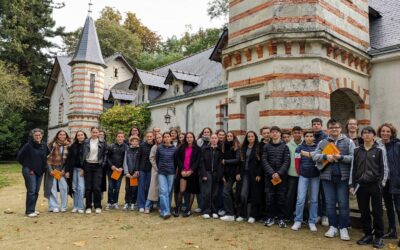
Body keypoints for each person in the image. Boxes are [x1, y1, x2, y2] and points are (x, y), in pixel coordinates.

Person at [312, 118, 355, 241]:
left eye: (336, 127)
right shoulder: (323, 142)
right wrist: (326, 156)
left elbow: (353, 158)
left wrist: (340, 157)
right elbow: (314, 156)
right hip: (327, 178)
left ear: (340, 129)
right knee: (330, 204)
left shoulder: (348, 142)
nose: (334, 130)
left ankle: (343, 227)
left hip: (343, 177)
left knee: (343, 203)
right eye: (331, 128)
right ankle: (333, 226)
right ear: (328, 130)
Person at [350, 126, 387, 249]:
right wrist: (352, 184)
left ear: (374, 135)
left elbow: (384, 168)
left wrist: (381, 183)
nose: (366, 135)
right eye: (364, 133)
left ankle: (378, 236)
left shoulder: (379, 150)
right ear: (362, 136)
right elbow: (353, 169)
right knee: (364, 212)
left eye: (369, 133)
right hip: (361, 186)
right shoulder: (356, 150)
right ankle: (367, 234)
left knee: (377, 212)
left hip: (375, 186)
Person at [262, 126, 290, 228]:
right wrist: (272, 173)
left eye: (276, 132)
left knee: (281, 198)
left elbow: (286, 162)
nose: (274, 134)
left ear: (279, 134)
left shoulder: (285, 147)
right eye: (272, 132)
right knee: (270, 198)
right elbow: (264, 161)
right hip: (269, 178)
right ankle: (270, 217)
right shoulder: (266, 147)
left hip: (281, 178)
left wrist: (279, 173)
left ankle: (281, 219)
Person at [17, 128, 49, 217]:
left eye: (39, 135)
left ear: (42, 135)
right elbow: (19, 157)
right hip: (29, 171)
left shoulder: (44, 145)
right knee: (31, 190)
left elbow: (47, 157)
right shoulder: (28, 145)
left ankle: (32, 209)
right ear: (33, 136)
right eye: (36, 135)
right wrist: (28, 166)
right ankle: (29, 211)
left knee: (36, 191)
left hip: (40, 171)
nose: (38, 136)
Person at [291, 131, 319, 232]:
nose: (309, 138)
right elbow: (297, 162)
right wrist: (299, 173)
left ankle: (312, 221)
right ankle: (298, 220)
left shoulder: (318, 147)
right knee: (300, 199)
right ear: (304, 137)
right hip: (303, 176)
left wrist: (309, 154)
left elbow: (320, 159)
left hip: (315, 176)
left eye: (311, 136)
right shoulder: (299, 148)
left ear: (314, 138)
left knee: (314, 200)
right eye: (307, 136)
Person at [377, 123, 400, 242]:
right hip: (384, 181)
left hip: (397, 181)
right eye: (383, 131)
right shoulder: (378, 146)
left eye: (388, 131)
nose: (385, 133)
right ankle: (392, 230)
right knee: (389, 206)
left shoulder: (397, 145)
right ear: (380, 132)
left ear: (392, 133)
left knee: (399, 207)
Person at [236, 131, 263, 223]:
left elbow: (261, 163)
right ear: (247, 138)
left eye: (252, 136)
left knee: (254, 195)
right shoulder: (243, 148)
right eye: (249, 137)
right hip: (244, 174)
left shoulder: (259, 148)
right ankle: (242, 214)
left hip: (254, 174)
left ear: (255, 137)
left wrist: (259, 174)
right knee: (243, 194)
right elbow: (239, 162)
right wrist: (238, 173)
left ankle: (253, 215)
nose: (250, 138)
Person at [174, 132, 201, 217]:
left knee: (191, 191)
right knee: (181, 191)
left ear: (193, 138)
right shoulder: (181, 147)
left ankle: (188, 210)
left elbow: (198, 161)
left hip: (192, 172)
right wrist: (182, 170)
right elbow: (178, 159)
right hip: (183, 172)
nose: (189, 139)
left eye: (191, 137)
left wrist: (191, 170)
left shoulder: (198, 149)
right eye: (187, 137)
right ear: (185, 138)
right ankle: (177, 209)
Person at [44, 130, 71, 213]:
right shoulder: (51, 145)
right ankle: (53, 206)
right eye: (60, 134)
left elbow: (69, 160)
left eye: (64, 134)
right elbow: (47, 158)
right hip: (52, 169)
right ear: (57, 135)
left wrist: (64, 170)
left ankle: (64, 206)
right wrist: (50, 170)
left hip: (62, 169)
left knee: (64, 187)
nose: (62, 136)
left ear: (66, 136)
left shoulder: (69, 146)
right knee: (52, 187)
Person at [81, 127, 107, 214]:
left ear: (98, 133)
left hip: (98, 166)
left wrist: (102, 164)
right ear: (90, 132)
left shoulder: (102, 142)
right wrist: (83, 166)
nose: (95, 134)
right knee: (88, 187)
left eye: (96, 132)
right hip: (88, 165)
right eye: (93, 132)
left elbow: (105, 155)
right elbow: (82, 154)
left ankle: (98, 206)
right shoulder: (86, 142)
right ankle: (88, 206)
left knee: (97, 187)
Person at [200, 133, 223, 219]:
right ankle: (206, 211)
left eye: (215, 138)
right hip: (207, 172)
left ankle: (214, 211)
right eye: (212, 138)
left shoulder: (220, 151)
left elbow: (221, 164)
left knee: (215, 193)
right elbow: (201, 163)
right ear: (210, 140)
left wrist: (219, 175)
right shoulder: (204, 149)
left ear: (217, 139)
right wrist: (204, 174)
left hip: (216, 173)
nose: (214, 139)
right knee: (207, 193)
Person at [220, 131, 241, 222]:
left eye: (230, 136)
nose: (229, 137)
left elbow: (237, 160)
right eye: (227, 136)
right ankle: (234, 213)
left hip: (233, 173)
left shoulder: (237, 146)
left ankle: (230, 214)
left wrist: (226, 161)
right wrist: (223, 175)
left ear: (233, 137)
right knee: (230, 193)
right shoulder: (224, 146)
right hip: (226, 173)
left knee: (226, 192)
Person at [65, 130, 87, 214]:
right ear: (76, 137)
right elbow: (68, 159)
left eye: (82, 135)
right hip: (73, 169)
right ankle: (75, 206)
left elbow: (87, 158)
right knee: (74, 187)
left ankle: (81, 206)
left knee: (81, 188)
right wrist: (67, 170)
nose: (80, 136)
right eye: (78, 135)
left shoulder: (87, 145)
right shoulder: (73, 146)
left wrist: (84, 169)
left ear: (84, 136)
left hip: (82, 170)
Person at [312, 117, 328, 226]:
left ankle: (325, 216)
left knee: (325, 194)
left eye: (318, 124)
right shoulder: (309, 137)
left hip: (323, 169)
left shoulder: (326, 138)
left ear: (321, 125)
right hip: (313, 170)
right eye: (314, 124)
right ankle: (317, 214)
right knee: (315, 194)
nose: (316, 126)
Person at [156, 132, 177, 219]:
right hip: (162, 172)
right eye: (165, 137)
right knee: (163, 191)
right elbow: (157, 159)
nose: (167, 138)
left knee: (168, 191)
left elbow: (176, 161)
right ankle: (166, 211)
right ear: (163, 139)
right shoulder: (159, 148)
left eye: (168, 136)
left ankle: (165, 209)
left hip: (171, 172)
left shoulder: (175, 149)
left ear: (171, 138)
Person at [106, 131, 127, 210]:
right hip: (111, 170)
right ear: (116, 137)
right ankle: (109, 202)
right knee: (111, 187)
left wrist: (122, 167)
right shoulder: (111, 146)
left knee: (117, 187)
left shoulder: (126, 147)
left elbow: (126, 160)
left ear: (124, 138)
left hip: (120, 171)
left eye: (122, 137)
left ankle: (115, 202)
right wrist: (111, 166)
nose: (120, 138)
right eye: (119, 136)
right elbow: (107, 158)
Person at [286, 126, 303, 222]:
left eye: (299, 132)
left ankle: (301, 216)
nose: (297, 134)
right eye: (295, 132)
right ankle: (289, 216)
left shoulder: (305, 144)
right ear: (292, 134)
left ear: (301, 133)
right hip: (291, 174)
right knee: (290, 196)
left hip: (303, 175)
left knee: (301, 197)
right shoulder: (288, 145)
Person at [195, 127, 213, 213]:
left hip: (208, 169)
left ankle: (207, 206)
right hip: (199, 168)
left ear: (210, 133)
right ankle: (200, 206)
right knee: (199, 188)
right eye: (205, 132)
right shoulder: (199, 142)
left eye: (208, 132)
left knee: (207, 190)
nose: (206, 133)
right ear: (202, 133)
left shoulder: (212, 142)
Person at [145, 133, 163, 213]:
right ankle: (147, 206)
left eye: (160, 137)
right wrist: (157, 168)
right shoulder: (154, 147)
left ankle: (159, 206)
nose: (159, 139)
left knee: (161, 189)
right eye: (157, 138)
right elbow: (151, 158)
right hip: (156, 170)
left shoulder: (164, 146)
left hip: (164, 171)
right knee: (153, 189)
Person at [137, 132, 154, 212]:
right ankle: (141, 205)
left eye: (151, 136)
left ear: (153, 137)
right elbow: (138, 158)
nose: (149, 138)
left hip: (151, 170)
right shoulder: (142, 146)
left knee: (149, 188)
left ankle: (148, 205)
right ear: (145, 137)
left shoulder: (155, 146)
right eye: (148, 136)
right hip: (142, 169)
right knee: (141, 187)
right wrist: (137, 169)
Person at [123, 136, 140, 211]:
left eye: (136, 141)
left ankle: (133, 203)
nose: (134, 142)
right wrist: (126, 172)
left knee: (134, 189)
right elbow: (125, 162)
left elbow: (139, 162)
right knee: (127, 188)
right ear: (130, 142)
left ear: (138, 142)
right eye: (133, 141)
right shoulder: (128, 150)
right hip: (128, 174)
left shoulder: (139, 150)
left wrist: (137, 171)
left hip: (135, 174)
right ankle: (127, 202)